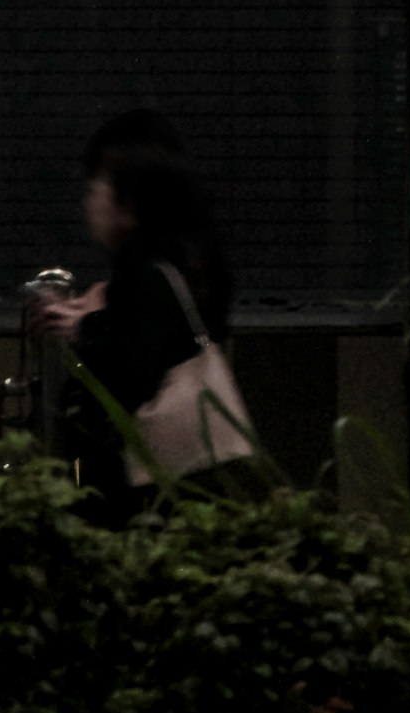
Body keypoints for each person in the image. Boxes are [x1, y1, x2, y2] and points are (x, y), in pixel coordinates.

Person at [27, 108, 256, 522]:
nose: (90, 198)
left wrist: (86, 325)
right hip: (178, 484)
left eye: (98, 185)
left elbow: (133, 367)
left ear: (128, 205)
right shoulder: (187, 260)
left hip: (140, 486)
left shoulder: (148, 275)